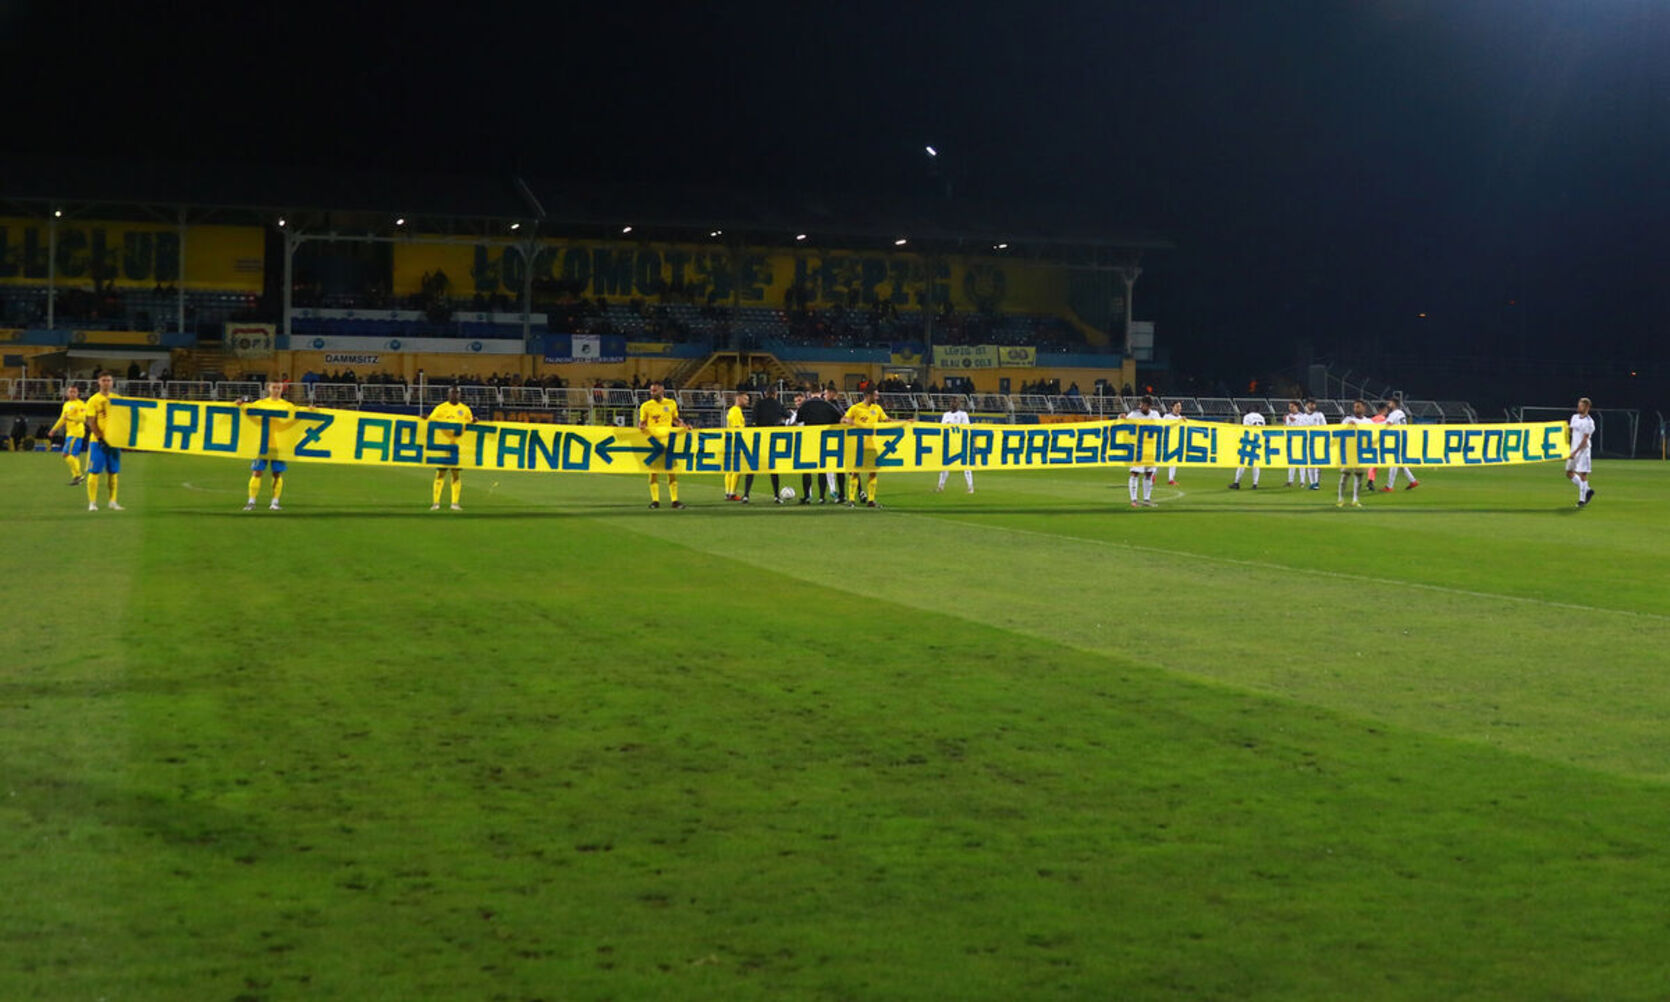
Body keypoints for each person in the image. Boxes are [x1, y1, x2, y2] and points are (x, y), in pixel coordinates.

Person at [240, 381, 299, 511]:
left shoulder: (287, 406)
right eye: (274, 387)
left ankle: (275, 502)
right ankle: (251, 501)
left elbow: (299, 415)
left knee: (277, 473)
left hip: (279, 445)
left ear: (282, 389)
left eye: (279, 387)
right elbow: (246, 410)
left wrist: (311, 410)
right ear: (268, 388)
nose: (276, 390)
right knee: (257, 472)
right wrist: (239, 405)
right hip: (262, 444)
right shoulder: (260, 404)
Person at [637, 381, 688, 508]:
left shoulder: (671, 403)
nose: (652, 393)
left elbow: (675, 420)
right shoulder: (646, 406)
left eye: (654, 390)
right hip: (653, 442)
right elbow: (642, 422)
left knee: (671, 471)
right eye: (651, 391)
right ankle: (655, 500)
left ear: (662, 390)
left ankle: (674, 500)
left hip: (668, 441)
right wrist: (641, 426)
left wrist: (683, 426)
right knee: (653, 472)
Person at [841, 386, 891, 507]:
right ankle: (851, 499)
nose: (877, 397)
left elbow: (887, 421)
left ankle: (871, 500)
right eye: (875, 395)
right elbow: (843, 419)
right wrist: (848, 421)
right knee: (855, 472)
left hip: (872, 445)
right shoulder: (856, 408)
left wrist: (905, 422)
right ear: (868, 396)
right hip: (858, 445)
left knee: (873, 472)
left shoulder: (877, 408)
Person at [82, 372, 124, 511]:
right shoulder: (93, 400)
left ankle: (112, 501)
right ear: (99, 382)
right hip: (97, 442)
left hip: (114, 441)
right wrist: (100, 438)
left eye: (109, 380)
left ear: (112, 382)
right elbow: (91, 421)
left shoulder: (117, 399)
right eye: (104, 380)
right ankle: (92, 503)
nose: (106, 383)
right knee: (94, 472)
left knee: (113, 472)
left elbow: (123, 419)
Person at [428, 386, 473, 510]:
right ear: (448, 394)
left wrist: (474, 421)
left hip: (457, 447)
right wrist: (424, 419)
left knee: (456, 474)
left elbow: (470, 426)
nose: (455, 395)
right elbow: (430, 421)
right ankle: (436, 503)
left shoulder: (465, 409)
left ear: (460, 394)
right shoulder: (440, 408)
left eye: (457, 393)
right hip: (443, 446)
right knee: (440, 474)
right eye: (453, 392)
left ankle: (455, 503)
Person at [796, 386, 842, 503]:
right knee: (822, 467)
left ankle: (807, 496)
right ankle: (822, 497)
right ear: (820, 393)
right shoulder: (827, 405)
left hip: (808, 440)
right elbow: (839, 418)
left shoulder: (805, 405)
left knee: (806, 468)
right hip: (824, 440)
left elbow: (799, 420)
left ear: (810, 393)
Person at [744, 386, 786, 503]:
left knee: (752, 467)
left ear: (766, 394)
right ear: (775, 394)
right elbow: (788, 415)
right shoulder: (778, 404)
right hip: (772, 440)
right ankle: (776, 496)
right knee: (773, 469)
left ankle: (746, 495)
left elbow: (753, 421)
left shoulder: (759, 404)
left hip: (758, 439)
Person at [1124, 395, 1162, 508]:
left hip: (1150, 449)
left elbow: (1165, 425)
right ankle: (1134, 500)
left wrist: (1180, 421)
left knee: (1149, 474)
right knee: (1135, 473)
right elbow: (1123, 421)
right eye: (1141, 404)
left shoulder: (1155, 415)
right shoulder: (1134, 414)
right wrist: (1121, 417)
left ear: (1149, 406)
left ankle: (1146, 499)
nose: (1142, 406)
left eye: (1145, 405)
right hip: (1137, 449)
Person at [935, 396, 975, 494]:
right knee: (945, 466)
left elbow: (967, 428)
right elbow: (941, 428)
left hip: (961, 444)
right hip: (949, 444)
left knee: (966, 466)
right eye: (952, 402)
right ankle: (940, 486)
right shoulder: (946, 415)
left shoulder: (963, 415)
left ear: (959, 404)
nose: (954, 404)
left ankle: (970, 487)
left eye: (956, 402)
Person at [48, 385, 88, 485]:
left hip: (76, 432)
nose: (72, 394)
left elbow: (83, 419)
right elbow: (62, 419)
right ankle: (76, 478)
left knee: (65, 454)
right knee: (74, 456)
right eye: (70, 392)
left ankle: (78, 475)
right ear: (67, 393)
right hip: (70, 433)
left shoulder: (81, 404)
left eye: (74, 392)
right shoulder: (66, 404)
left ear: (77, 393)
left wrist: (70, 418)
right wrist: (54, 429)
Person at [1337, 400, 1372, 507]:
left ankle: (1355, 499)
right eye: (1355, 407)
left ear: (1364, 408)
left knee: (1359, 476)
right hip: (1349, 451)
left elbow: (1375, 433)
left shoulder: (1369, 422)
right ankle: (1340, 499)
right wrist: (1348, 426)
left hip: (1361, 452)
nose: (1356, 409)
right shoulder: (1348, 420)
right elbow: (1339, 432)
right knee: (1345, 475)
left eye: (1358, 406)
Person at [1380, 397, 1420, 491]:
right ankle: (1413, 481)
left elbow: (1387, 424)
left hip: (1397, 439)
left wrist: (1373, 424)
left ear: (1394, 404)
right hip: (1403, 438)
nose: (1388, 405)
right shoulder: (1401, 413)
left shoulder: (1393, 414)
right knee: (1399, 462)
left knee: (1393, 461)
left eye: (1390, 403)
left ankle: (1389, 486)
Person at [1568, 396, 1596, 508]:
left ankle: (1582, 500)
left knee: (1583, 474)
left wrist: (1575, 452)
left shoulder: (1589, 422)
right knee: (1569, 473)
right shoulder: (1574, 417)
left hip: (1583, 451)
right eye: (1579, 405)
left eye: (1581, 406)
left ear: (1587, 407)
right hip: (1573, 449)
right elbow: (1571, 431)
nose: (1579, 407)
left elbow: (1585, 440)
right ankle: (1587, 490)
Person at [1230, 407, 1266, 489]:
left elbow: (1246, 429)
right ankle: (1255, 484)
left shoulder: (1247, 416)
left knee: (1242, 461)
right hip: (1258, 440)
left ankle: (1236, 482)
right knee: (1256, 463)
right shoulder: (1261, 417)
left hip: (1248, 440)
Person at [723, 391, 750, 501]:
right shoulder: (735, 411)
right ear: (738, 399)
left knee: (729, 470)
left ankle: (728, 492)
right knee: (737, 469)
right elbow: (737, 428)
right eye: (745, 399)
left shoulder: (733, 410)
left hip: (730, 442)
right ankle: (732, 493)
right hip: (736, 443)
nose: (747, 401)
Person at [1161, 400, 1184, 485]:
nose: (1179, 408)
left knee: (1173, 461)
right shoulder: (1167, 417)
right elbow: (1162, 426)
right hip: (1165, 441)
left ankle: (1171, 479)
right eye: (1177, 406)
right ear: (1172, 407)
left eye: (1180, 406)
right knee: (1161, 459)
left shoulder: (1181, 418)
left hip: (1175, 442)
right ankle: (1152, 475)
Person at [1282, 401, 1302, 487]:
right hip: (1290, 441)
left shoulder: (1302, 416)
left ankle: (1302, 481)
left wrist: (1295, 421)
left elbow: (1304, 427)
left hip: (1300, 441)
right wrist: (1285, 422)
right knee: (1291, 461)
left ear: (1297, 407)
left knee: (1301, 462)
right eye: (1289, 406)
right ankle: (1290, 481)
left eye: (1292, 406)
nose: (1290, 408)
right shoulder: (1288, 417)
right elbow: (1285, 428)